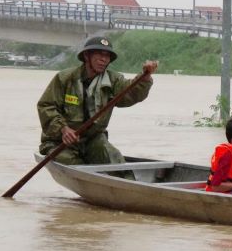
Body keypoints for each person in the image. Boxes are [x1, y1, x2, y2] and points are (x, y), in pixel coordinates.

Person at [37, 35, 158, 165]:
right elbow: (46, 106)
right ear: (86, 56)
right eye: (99, 55)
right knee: (72, 163)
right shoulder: (64, 78)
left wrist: (145, 76)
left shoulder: (113, 80)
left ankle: (128, 184)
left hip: (93, 140)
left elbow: (131, 93)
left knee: (114, 159)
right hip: (59, 142)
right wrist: (63, 129)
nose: (103, 60)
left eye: (107, 56)